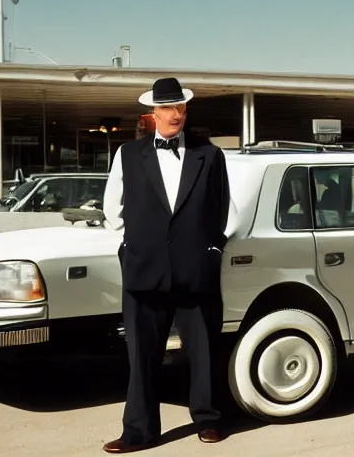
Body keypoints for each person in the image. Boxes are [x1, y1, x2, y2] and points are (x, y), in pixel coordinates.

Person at [102, 77, 236, 453]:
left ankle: (209, 420)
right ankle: (139, 431)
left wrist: (212, 248)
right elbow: (113, 209)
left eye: (180, 108)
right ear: (153, 113)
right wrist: (135, 244)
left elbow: (224, 209)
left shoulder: (209, 155)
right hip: (145, 269)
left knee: (204, 350)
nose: (175, 114)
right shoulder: (128, 153)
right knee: (142, 355)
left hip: (196, 269)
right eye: (167, 108)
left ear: (186, 111)